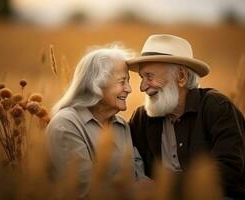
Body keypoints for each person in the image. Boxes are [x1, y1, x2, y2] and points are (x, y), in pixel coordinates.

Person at [127, 34, 245, 199]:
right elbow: (126, 161)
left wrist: (164, 186)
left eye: (150, 76)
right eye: (142, 77)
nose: (142, 87)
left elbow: (230, 173)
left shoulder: (217, 108)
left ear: (181, 77)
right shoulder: (141, 118)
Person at [46, 45, 148, 198]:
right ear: (96, 85)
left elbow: (138, 174)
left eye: (128, 81)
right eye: (122, 81)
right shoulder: (66, 125)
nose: (129, 89)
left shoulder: (121, 126)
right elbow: (84, 191)